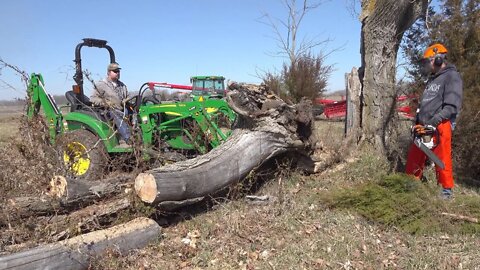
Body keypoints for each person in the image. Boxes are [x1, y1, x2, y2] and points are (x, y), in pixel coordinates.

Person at [405, 43, 463, 199]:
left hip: (440, 124)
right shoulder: (432, 80)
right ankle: (410, 185)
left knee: (441, 158)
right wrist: (418, 121)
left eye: (428, 61)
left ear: (438, 59)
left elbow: (452, 105)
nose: (426, 65)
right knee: (414, 157)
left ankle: (446, 191)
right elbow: (425, 104)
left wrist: (435, 121)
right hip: (424, 125)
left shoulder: (452, 77)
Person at [90, 62, 131, 147]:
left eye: (118, 71)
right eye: (115, 71)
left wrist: (127, 100)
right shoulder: (101, 85)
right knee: (117, 114)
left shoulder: (122, 85)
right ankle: (128, 139)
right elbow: (93, 98)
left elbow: (127, 96)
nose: (117, 73)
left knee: (136, 113)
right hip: (108, 111)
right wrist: (105, 103)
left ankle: (139, 136)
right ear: (109, 72)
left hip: (122, 108)